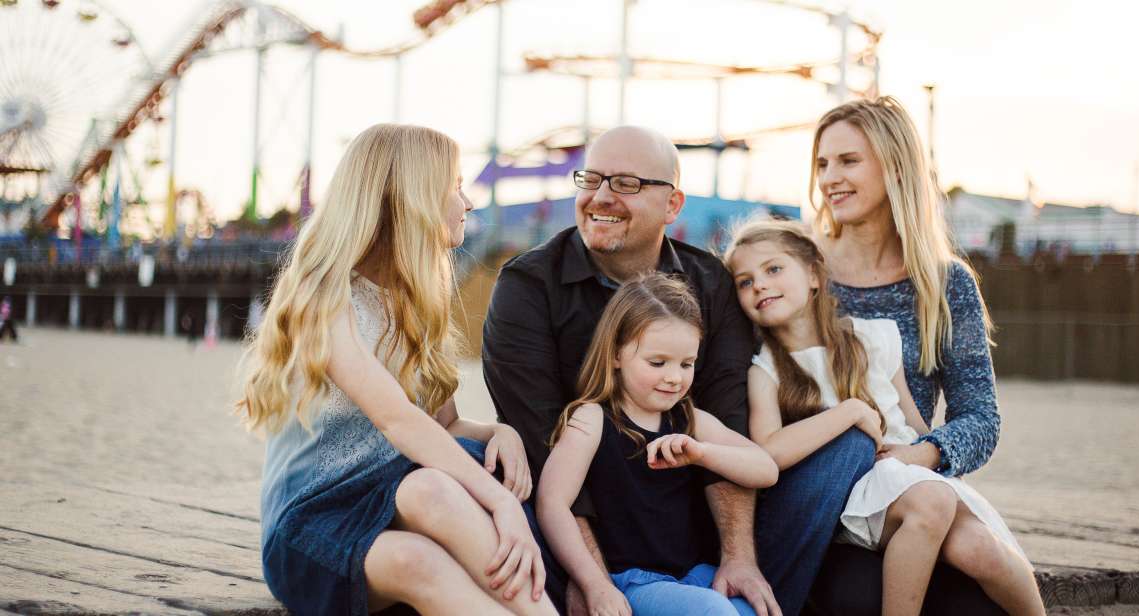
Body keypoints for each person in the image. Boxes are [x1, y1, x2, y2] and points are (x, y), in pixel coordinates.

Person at [484, 125, 872, 616]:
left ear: (672, 206)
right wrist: (596, 585)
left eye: (626, 183)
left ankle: (753, 596)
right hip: (577, 539)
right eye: (591, 179)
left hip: (691, 535)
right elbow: (539, 442)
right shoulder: (528, 284)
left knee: (844, 451)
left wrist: (738, 558)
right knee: (483, 456)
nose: (601, 197)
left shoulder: (711, 285)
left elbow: (730, 426)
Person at [236, 124, 556, 616]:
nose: (468, 202)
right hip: (311, 522)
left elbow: (443, 427)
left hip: (389, 501)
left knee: (429, 489)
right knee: (417, 553)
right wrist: (501, 503)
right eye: (455, 187)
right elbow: (397, 420)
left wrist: (500, 432)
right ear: (413, 198)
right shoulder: (326, 296)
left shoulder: (411, 304)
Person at [726, 219, 1044, 616]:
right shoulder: (766, 369)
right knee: (929, 503)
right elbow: (768, 455)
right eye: (744, 281)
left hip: (910, 471)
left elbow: (912, 422)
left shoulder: (874, 337)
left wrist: (934, 464)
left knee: (980, 550)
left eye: (773, 269)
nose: (758, 284)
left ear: (812, 274)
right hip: (859, 492)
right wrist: (850, 411)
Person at [803, 96, 1011, 614]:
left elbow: (981, 418)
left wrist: (921, 455)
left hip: (910, 493)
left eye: (849, 161)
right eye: (822, 164)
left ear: (895, 166)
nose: (831, 178)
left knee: (977, 603)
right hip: (822, 499)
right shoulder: (799, 269)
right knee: (856, 600)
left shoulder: (945, 285)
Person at [538, 274, 778, 616]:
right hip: (633, 583)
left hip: (694, 575)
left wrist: (702, 453)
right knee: (716, 612)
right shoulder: (592, 419)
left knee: (750, 609)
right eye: (657, 362)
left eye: (687, 364)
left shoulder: (690, 420)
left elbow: (765, 469)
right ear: (617, 354)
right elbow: (553, 502)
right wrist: (594, 584)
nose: (675, 377)